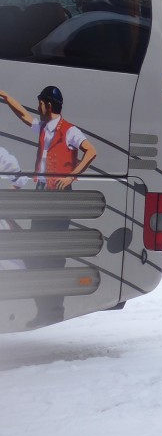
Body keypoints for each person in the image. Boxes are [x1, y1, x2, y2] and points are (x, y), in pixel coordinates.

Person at [0, 85, 97, 327]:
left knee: (52, 256)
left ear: (48, 105)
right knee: (37, 253)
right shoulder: (44, 127)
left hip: (59, 196)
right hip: (43, 193)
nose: (38, 107)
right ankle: (46, 311)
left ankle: (53, 312)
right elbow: (23, 116)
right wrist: (5, 96)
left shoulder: (70, 131)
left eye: (40, 103)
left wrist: (71, 177)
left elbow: (91, 152)